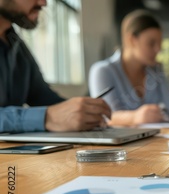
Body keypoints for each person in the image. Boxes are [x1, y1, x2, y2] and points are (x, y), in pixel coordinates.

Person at [0, 0, 111, 133]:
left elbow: (44, 98)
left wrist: (81, 113)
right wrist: (47, 117)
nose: (43, 3)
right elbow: (50, 113)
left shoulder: (16, 46)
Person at [88, 10, 169, 126]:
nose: (158, 50)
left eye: (159, 43)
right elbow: (106, 116)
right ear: (132, 39)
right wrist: (134, 117)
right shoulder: (102, 71)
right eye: (151, 43)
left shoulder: (156, 71)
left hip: (155, 141)